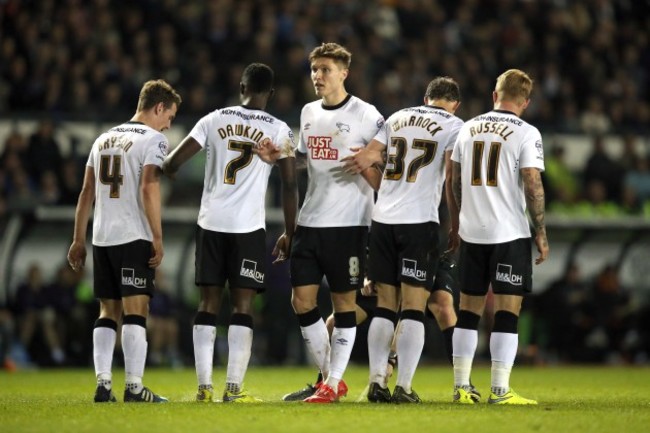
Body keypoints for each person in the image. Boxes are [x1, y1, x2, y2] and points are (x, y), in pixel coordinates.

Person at [162, 63, 297, 403]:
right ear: (271, 93)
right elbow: (291, 183)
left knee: (207, 304)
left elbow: (175, 161)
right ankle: (233, 388)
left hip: (210, 223)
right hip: (248, 228)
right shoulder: (279, 129)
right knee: (243, 306)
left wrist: (170, 169)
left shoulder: (213, 119)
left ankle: (204, 387)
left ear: (241, 87)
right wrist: (291, 232)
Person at [341, 77, 464, 403]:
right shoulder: (455, 125)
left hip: (383, 221)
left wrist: (363, 161)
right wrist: (456, 222)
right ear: (455, 104)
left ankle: (376, 383)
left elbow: (367, 157)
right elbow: (452, 177)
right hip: (419, 222)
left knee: (384, 307)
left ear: (426, 98)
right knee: (412, 307)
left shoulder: (396, 117)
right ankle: (404, 388)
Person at [280, 42, 385, 404]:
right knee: (301, 301)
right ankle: (331, 379)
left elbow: (388, 171)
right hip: (310, 221)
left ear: (344, 73)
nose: (318, 76)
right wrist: (275, 158)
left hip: (349, 226)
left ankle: (332, 381)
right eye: (314, 70)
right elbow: (302, 163)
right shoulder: (308, 112)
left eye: (325, 69)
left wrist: (369, 164)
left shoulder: (367, 114)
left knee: (343, 304)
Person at [67, 79, 181, 403]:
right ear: (158, 107)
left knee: (107, 310)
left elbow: (86, 193)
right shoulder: (154, 139)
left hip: (102, 237)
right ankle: (134, 387)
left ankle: (103, 384)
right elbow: (148, 187)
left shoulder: (102, 139)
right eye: (169, 116)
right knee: (136, 310)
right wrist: (157, 236)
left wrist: (78, 239)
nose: (168, 124)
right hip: (133, 235)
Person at [449, 69, 548, 405]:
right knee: (507, 311)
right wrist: (541, 232)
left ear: (495, 95)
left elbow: (454, 180)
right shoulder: (526, 132)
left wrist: (458, 221)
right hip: (509, 232)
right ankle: (499, 390)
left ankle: (461, 387)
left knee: (468, 310)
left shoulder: (468, 127)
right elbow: (532, 182)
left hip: (471, 231)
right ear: (526, 102)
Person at [281, 252, 464, 402]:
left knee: (442, 306)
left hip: (423, 254)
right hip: (386, 263)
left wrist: (391, 360)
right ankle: (324, 384)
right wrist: (369, 275)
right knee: (333, 323)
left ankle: (463, 384)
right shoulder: (375, 219)